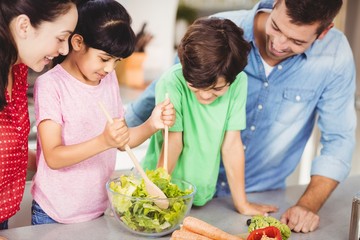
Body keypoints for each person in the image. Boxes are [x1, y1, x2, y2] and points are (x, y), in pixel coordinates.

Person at [125, 0, 356, 233]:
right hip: (179, 194)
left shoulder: (334, 56)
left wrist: (306, 205)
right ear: (275, 3)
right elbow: (159, 98)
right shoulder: (215, 33)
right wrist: (119, 137)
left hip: (257, 194)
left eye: (297, 41)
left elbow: (339, 141)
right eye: (276, 27)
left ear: (324, 31)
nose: (278, 43)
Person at [30, 0, 174, 225]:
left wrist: (151, 124)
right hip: (54, 214)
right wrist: (103, 141)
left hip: (98, 209)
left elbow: (121, 140)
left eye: (116, 62)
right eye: (104, 59)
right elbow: (53, 157)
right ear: (78, 42)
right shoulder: (51, 85)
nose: (109, 68)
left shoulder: (108, 80)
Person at [141, 17, 278, 216]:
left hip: (203, 190)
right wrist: (157, 195)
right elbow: (173, 143)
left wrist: (242, 203)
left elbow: (231, 144)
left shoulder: (239, 82)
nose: (205, 95)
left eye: (217, 89)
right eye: (195, 86)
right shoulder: (172, 82)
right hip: (164, 185)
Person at [0, 0, 78, 230]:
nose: (64, 50)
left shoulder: (18, 68)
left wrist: (59, 162)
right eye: (61, 37)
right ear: (24, 26)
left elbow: (9, 151)